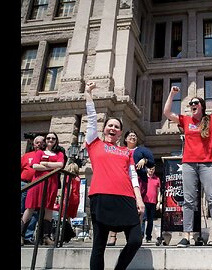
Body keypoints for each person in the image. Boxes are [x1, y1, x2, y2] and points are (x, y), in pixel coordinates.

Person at [163, 84, 212, 248]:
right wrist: (172, 95)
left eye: (195, 103)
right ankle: (186, 236)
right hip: (188, 164)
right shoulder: (185, 120)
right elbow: (167, 113)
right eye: (190, 104)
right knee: (188, 201)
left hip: (207, 164)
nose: (192, 105)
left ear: (201, 105)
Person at [84, 81, 144, 270]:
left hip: (126, 199)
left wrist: (139, 199)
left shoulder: (127, 152)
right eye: (109, 125)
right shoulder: (94, 143)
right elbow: (92, 117)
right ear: (104, 129)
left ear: (120, 134)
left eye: (116, 127)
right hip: (101, 197)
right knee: (99, 246)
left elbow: (133, 176)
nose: (112, 128)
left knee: (135, 240)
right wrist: (88, 93)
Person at [107, 129, 155, 246]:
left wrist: (145, 160)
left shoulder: (142, 150)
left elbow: (152, 162)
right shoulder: (120, 150)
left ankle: (135, 235)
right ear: (125, 139)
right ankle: (113, 236)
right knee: (118, 207)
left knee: (137, 209)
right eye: (130, 136)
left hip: (139, 181)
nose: (133, 137)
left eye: (134, 136)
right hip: (123, 181)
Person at [21, 132, 65, 246]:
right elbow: (35, 166)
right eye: (48, 138)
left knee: (48, 208)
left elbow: (60, 165)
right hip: (38, 182)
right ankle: (21, 234)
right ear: (45, 140)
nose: (51, 140)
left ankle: (46, 236)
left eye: (53, 138)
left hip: (52, 183)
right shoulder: (39, 152)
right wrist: (52, 165)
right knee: (30, 207)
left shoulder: (59, 153)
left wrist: (44, 163)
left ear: (56, 140)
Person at [20, 135, 45, 245]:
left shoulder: (45, 155)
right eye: (37, 142)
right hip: (24, 184)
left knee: (34, 211)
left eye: (41, 142)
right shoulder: (26, 156)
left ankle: (28, 236)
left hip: (37, 184)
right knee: (22, 209)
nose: (39, 144)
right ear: (34, 144)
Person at [59, 162, 81, 243]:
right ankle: (67, 235)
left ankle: (68, 234)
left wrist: (66, 199)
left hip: (69, 198)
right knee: (67, 218)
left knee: (64, 216)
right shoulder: (78, 178)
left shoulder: (69, 177)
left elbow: (70, 188)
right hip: (76, 198)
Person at [141, 166, 162, 243]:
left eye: (153, 169)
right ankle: (141, 235)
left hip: (153, 202)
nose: (151, 171)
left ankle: (148, 236)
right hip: (144, 201)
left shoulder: (157, 179)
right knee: (143, 219)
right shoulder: (143, 178)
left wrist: (159, 202)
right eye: (150, 169)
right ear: (146, 169)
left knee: (150, 221)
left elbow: (159, 191)